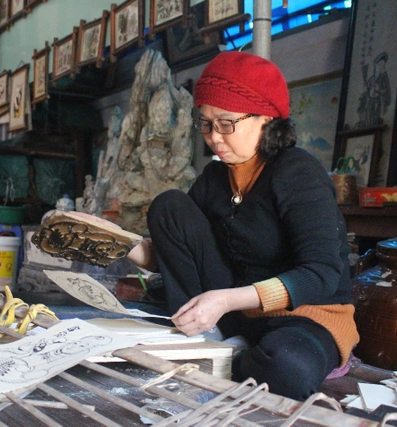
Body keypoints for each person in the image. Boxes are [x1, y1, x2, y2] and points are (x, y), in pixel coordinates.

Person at [126, 51, 359, 401]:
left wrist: (224, 300)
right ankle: (217, 344)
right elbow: (181, 255)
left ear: (266, 118)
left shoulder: (298, 173)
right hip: (233, 310)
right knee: (169, 206)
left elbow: (322, 274)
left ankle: (226, 354)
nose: (214, 137)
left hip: (302, 315)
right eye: (205, 123)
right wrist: (116, 244)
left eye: (225, 123)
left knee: (285, 366)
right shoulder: (214, 178)